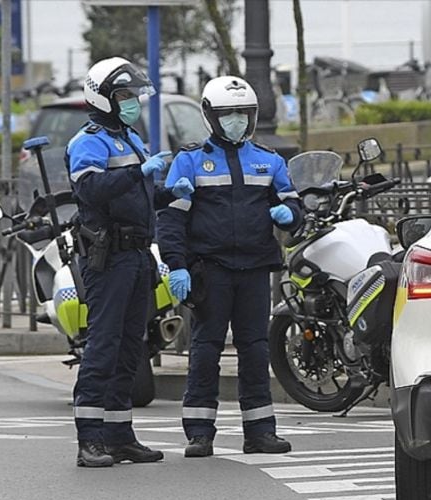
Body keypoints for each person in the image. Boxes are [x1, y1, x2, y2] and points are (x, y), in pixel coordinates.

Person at [157, 76, 302, 457]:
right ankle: (200, 432)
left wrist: (290, 215)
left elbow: (296, 209)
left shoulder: (270, 161)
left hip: (255, 268)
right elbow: (171, 220)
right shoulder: (188, 161)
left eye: (243, 113)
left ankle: (260, 432)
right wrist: (177, 266)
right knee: (206, 348)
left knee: (255, 349)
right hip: (211, 269)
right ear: (210, 117)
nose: (237, 120)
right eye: (228, 114)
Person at [65, 57, 173, 467]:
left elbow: (138, 195)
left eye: (133, 96)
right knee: (103, 347)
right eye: (125, 96)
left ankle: (120, 435)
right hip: (108, 258)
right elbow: (92, 189)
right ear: (103, 98)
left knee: (132, 348)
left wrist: (167, 192)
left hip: (137, 255)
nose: (132, 103)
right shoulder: (88, 141)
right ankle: (89, 440)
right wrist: (138, 173)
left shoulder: (129, 137)